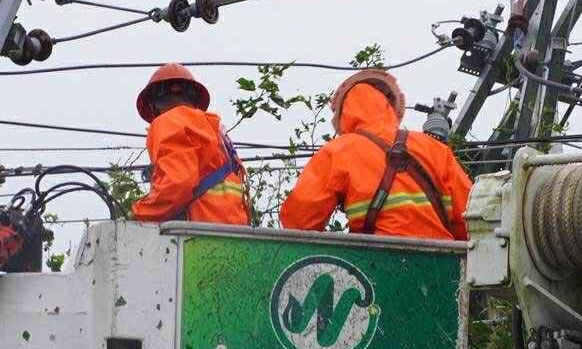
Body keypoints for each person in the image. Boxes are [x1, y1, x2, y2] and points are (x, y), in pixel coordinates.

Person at [279, 69, 472, 239]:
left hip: (375, 261)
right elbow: (472, 219)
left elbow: (300, 222)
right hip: (441, 261)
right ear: (391, 106)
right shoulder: (434, 149)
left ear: (343, 115)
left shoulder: (338, 151)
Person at [131, 63, 251, 224]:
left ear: (153, 106)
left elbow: (177, 183)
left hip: (199, 230)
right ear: (195, 101)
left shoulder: (168, 121)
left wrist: (139, 214)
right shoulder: (216, 133)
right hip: (234, 229)